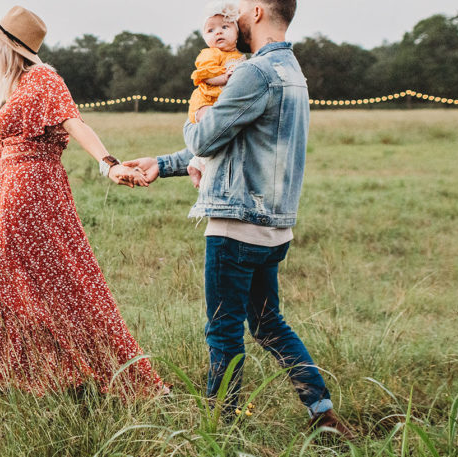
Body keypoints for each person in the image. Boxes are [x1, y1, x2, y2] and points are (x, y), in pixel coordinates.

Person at [124, 0, 357, 438]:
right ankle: (322, 414)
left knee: (223, 332)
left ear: (256, 11)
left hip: (235, 226)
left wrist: (194, 116)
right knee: (269, 325)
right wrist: (163, 163)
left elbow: (206, 136)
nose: (231, 20)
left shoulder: (253, 73)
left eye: (237, 12)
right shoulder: (291, 71)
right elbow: (235, 142)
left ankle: (220, 430)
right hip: (274, 226)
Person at [0, 5, 166, 396]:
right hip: (10, 193)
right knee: (9, 284)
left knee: (64, 282)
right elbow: (0, 157)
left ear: (9, 46)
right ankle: (12, 378)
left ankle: (85, 374)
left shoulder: (44, 79)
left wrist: (109, 164)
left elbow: (75, 122)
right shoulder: (18, 87)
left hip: (33, 193)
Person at [186, 1, 247, 185]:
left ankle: (195, 163)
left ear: (237, 32)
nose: (218, 32)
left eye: (225, 27)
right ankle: (203, 164)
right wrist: (224, 78)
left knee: (222, 131)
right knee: (211, 127)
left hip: (219, 103)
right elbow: (204, 75)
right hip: (204, 101)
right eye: (210, 30)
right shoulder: (210, 54)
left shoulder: (239, 56)